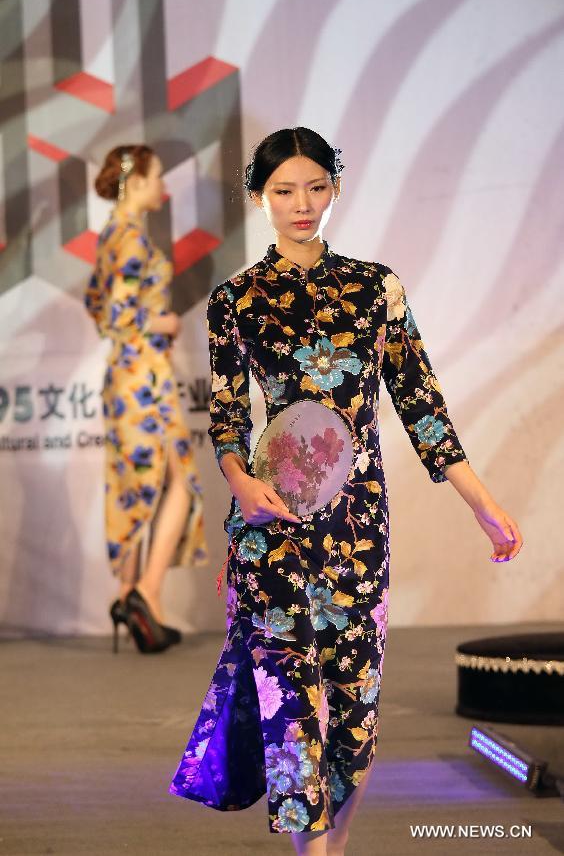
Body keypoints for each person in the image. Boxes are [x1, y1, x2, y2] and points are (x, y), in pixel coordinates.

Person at [169, 128, 523, 852]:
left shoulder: (375, 288)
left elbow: (421, 404)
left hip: (358, 529)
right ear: (260, 197)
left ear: (336, 186)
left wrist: (484, 506)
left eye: (316, 187)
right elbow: (230, 420)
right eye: (284, 191)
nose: (302, 205)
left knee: (355, 715)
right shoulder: (236, 299)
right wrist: (239, 487)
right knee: (291, 714)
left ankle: (337, 845)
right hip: (271, 530)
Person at [84, 144, 208, 654]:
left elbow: (95, 299)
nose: (165, 188)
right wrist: (165, 321)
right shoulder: (130, 240)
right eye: (158, 178)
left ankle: (133, 600)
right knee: (178, 480)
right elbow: (114, 315)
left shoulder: (112, 236)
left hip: (128, 375)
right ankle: (145, 594)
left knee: (138, 486)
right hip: (144, 377)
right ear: (136, 183)